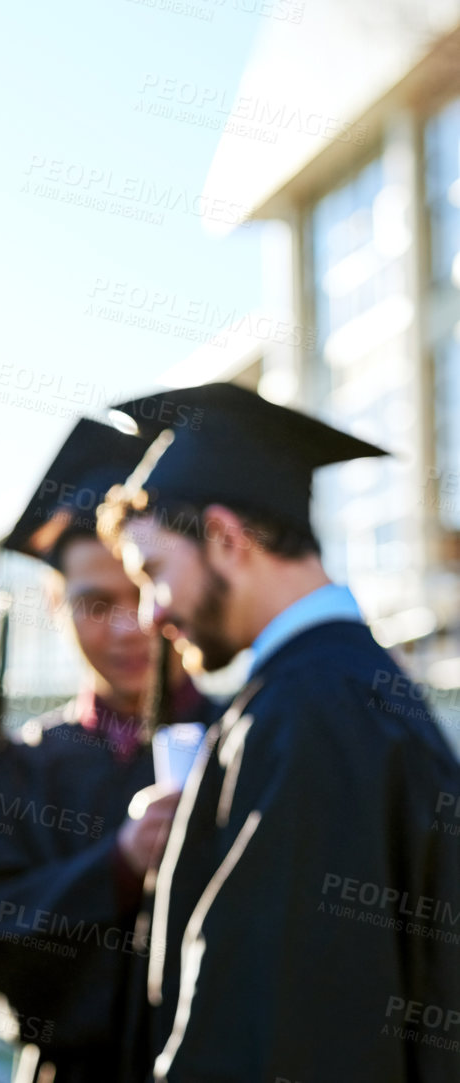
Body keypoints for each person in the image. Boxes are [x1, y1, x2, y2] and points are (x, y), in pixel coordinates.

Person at [99, 382, 460, 1082]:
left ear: (226, 537)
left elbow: (282, 1024)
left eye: (153, 572)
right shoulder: (352, 688)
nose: (148, 616)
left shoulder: (308, 710)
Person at [0, 417, 221, 1083]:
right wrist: (118, 862)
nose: (127, 628)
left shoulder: (244, 736)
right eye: (94, 604)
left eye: (141, 592)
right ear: (55, 605)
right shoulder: (20, 762)